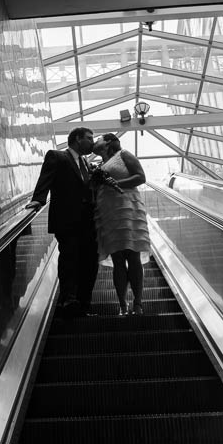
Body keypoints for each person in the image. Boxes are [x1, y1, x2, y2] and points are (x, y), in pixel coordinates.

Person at [25, 127, 99, 317]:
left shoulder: (85, 162)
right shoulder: (57, 156)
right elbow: (45, 179)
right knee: (70, 258)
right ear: (76, 139)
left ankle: (85, 302)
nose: (93, 142)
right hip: (67, 220)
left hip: (89, 222)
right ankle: (68, 299)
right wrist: (38, 199)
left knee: (90, 262)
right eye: (89, 138)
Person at [91, 134, 151, 316]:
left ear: (108, 142)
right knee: (117, 260)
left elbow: (140, 177)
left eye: (99, 138)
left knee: (133, 255)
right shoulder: (98, 166)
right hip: (108, 214)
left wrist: (115, 183)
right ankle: (123, 305)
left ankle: (138, 304)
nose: (95, 141)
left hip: (127, 209)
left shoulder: (124, 155)